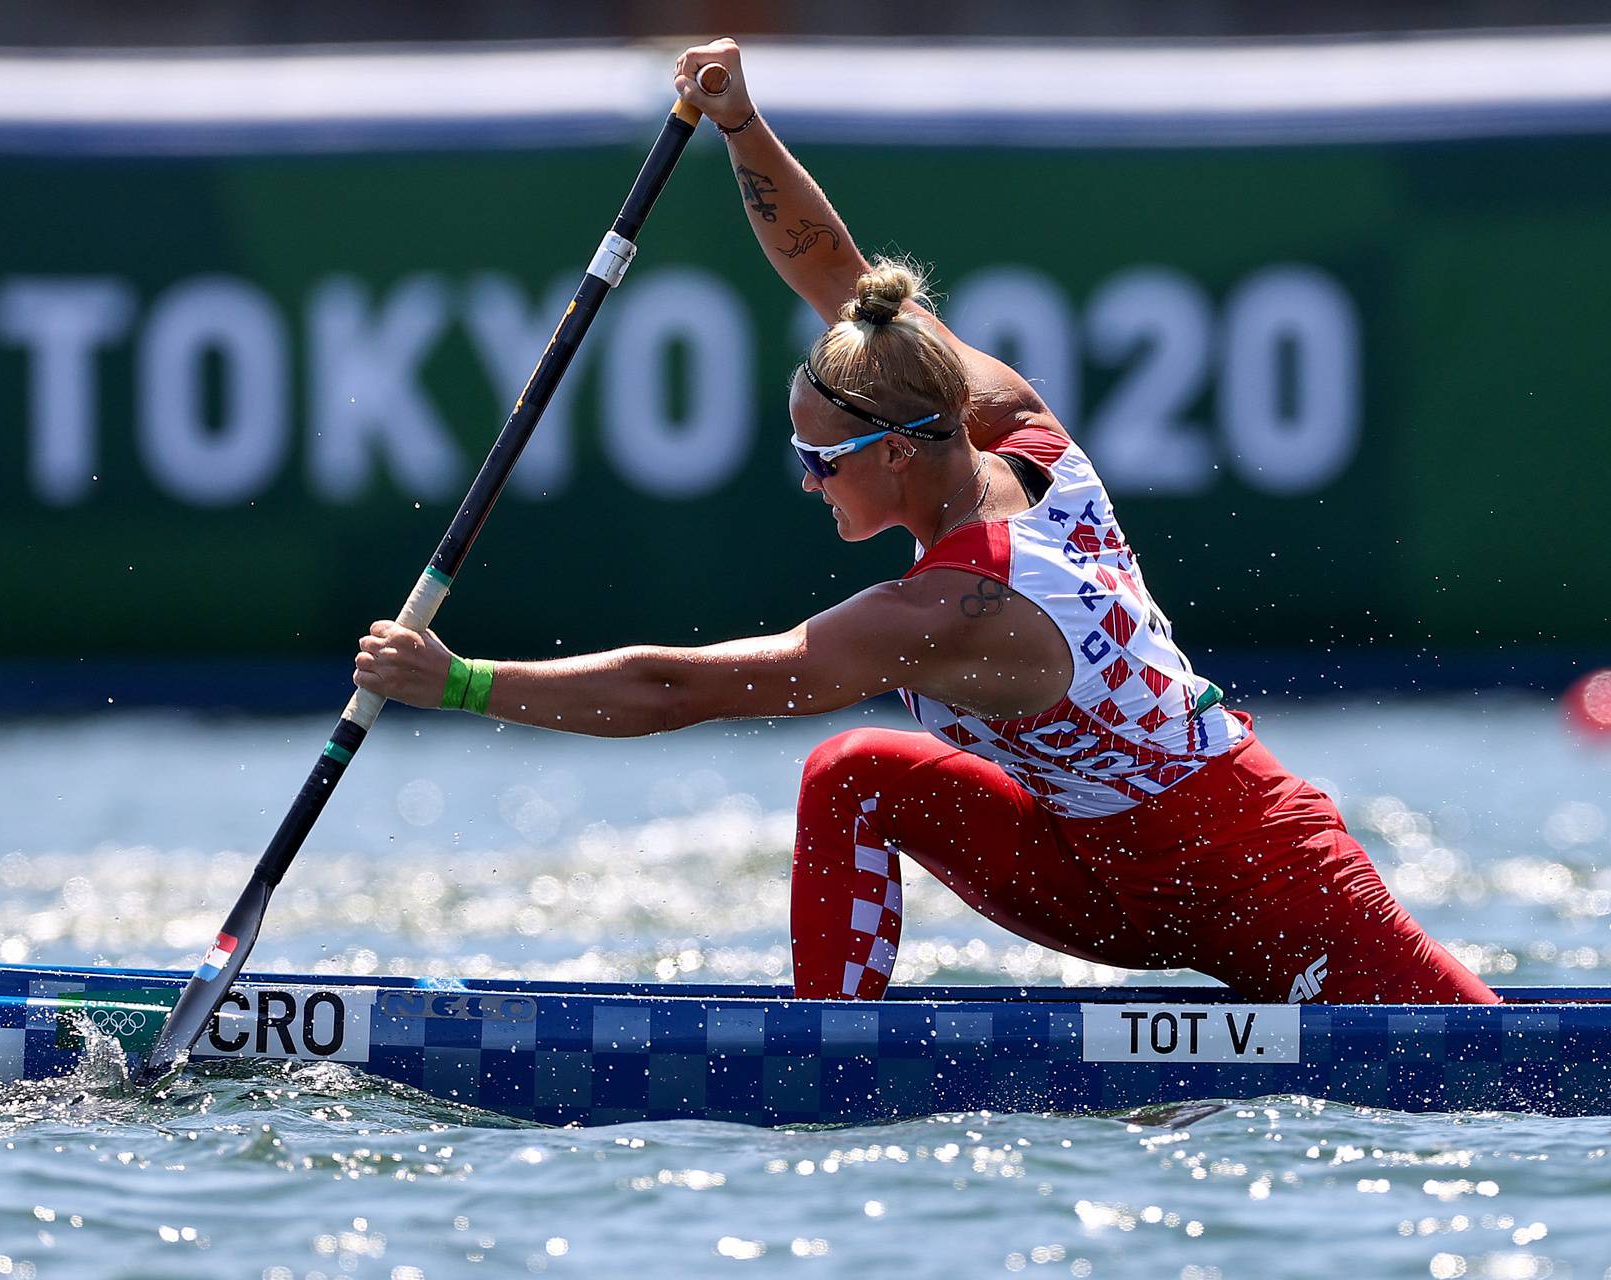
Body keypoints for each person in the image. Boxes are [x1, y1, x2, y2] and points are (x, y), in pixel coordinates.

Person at [353, 38, 1497, 1007]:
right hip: (1094, 862)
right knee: (854, 770)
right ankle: (832, 1055)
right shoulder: (1000, 417)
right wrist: (741, 124)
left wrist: (456, 682)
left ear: (894, 449)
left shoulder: (951, 609)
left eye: (816, 459)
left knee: (1485, 1063)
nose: (804, 482)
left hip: (1257, 870)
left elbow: (678, 689)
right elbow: (841, 276)